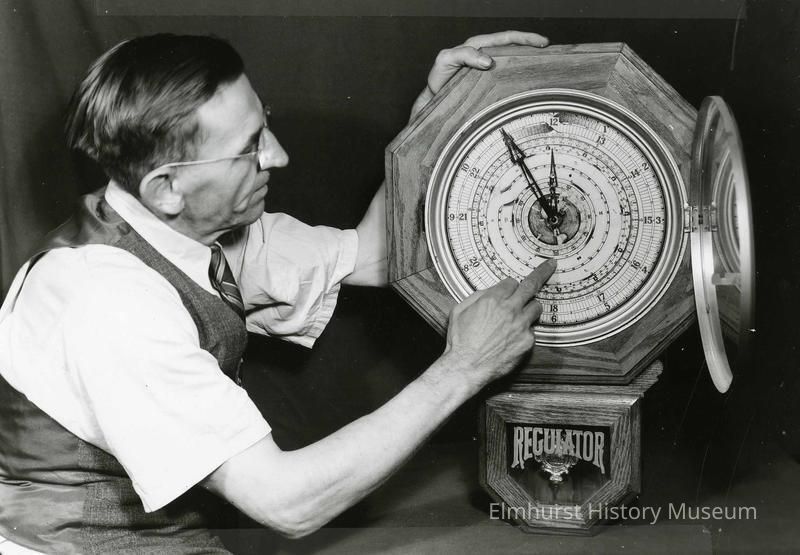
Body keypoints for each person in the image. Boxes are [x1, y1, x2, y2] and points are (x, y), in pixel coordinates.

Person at [0, 31, 554, 553]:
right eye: (249, 148)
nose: (278, 155)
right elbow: (286, 504)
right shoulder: (106, 299)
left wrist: (433, 119)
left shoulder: (189, 227)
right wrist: (463, 368)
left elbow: (377, 254)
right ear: (165, 187)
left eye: (262, 125)